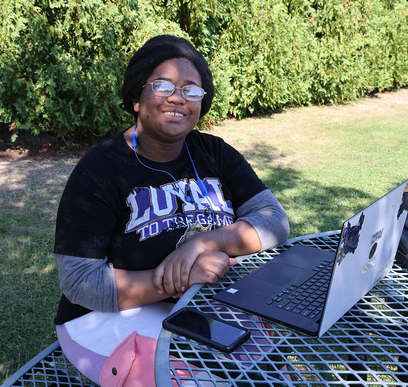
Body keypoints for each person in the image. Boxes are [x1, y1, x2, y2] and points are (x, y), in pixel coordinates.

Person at [53, 34, 290, 385]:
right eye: (163, 85)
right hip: (105, 316)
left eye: (191, 89)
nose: (178, 97)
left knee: (271, 371)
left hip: (195, 305)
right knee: (202, 380)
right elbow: (80, 281)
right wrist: (179, 279)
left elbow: (274, 221)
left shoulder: (215, 153)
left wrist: (204, 244)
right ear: (136, 97)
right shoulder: (100, 170)